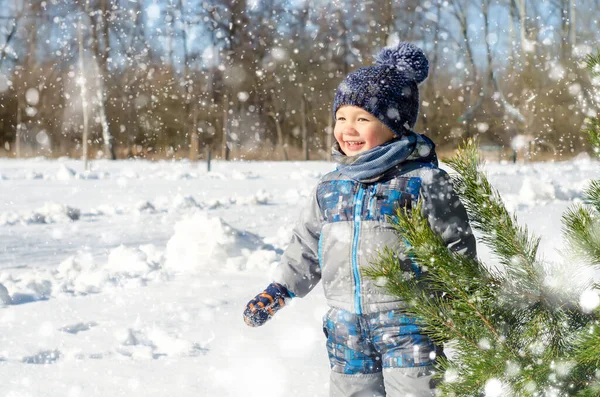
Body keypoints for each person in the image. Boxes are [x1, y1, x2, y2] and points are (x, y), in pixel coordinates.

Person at [243, 41, 477, 397]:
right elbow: (306, 245)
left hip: (409, 321)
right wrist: (281, 288)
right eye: (341, 118)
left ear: (393, 125)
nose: (347, 129)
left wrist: (465, 300)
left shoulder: (423, 182)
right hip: (345, 327)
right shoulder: (329, 187)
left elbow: (456, 244)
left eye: (362, 119)